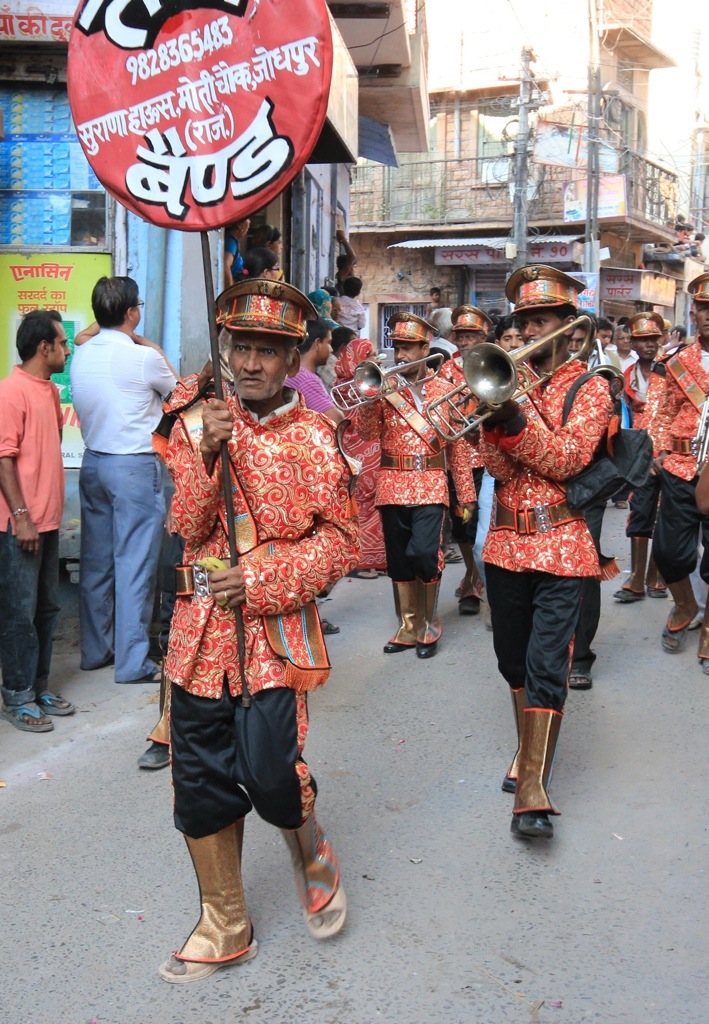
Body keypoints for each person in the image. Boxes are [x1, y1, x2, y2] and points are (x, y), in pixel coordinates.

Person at [157, 278, 359, 983]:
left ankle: (307, 844)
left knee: (270, 772)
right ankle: (224, 921)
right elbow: (184, 528)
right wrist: (207, 456)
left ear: (292, 358)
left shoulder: (314, 438)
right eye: (239, 346)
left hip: (273, 643)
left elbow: (340, 543)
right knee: (202, 781)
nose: (249, 364)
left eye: (267, 351)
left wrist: (266, 579)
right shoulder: (195, 419)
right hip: (198, 639)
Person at [476, 265, 613, 839]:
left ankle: (533, 784)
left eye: (544, 321)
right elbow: (500, 469)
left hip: (562, 545)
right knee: (512, 661)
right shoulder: (512, 382)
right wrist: (499, 422)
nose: (532, 330)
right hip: (506, 544)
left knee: (546, 663)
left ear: (569, 329)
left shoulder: (592, 387)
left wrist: (512, 421)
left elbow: (565, 461)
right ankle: (526, 751)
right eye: (526, 321)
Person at [70, 277, 177, 684]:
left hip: (93, 462)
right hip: (132, 465)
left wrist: (112, 323)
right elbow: (179, 391)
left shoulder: (81, 353)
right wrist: (149, 343)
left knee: (96, 563)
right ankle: (132, 663)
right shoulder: (141, 358)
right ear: (133, 312)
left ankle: (97, 650)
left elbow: (89, 334)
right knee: (134, 564)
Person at [354, 312, 476, 658]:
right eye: (399, 348)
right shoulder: (385, 387)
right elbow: (367, 433)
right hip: (392, 484)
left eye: (410, 348)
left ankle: (428, 622)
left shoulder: (445, 389)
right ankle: (408, 626)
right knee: (398, 560)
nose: (402, 355)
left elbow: (458, 448)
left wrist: (465, 496)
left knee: (424, 553)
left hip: (432, 484)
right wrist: (368, 395)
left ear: (426, 347)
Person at [0, 310, 76, 732]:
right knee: (18, 612)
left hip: (47, 522)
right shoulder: (10, 392)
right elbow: (3, 458)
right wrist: (23, 517)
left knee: (46, 609)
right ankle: (17, 696)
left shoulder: (48, 390)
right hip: (19, 526)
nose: (66, 350)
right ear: (43, 347)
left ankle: (38, 686)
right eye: (61, 343)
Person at [646, 272, 709, 673]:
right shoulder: (676, 362)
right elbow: (659, 411)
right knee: (668, 551)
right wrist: (658, 448)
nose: (708, 315)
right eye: (703, 307)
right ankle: (685, 603)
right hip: (682, 466)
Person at [613, 312, 667, 603]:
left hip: (671, 455)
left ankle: (655, 575)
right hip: (640, 455)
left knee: (664, 515)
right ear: (632, 342)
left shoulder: (673, 371)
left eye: (653, 339)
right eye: (643, 339)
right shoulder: (626, 375)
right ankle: (636, 577)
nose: (649, 345)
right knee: (640, 513)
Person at [446, 305, 493, 613]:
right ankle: (472, 574)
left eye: (469, 336)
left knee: (482, 525)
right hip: (457, 456)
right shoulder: (445, 369)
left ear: (482, 337)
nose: (463, 342)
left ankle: (475, 582)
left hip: (486, 457)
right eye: (460, 336)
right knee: (462, 525)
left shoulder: (493, 363)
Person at [333, 334, 387, 576]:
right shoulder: (345, 387)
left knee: (373, 503)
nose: (375, 359)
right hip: (358, 451)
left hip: (371, 449)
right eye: (368, 355)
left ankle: (378, 557)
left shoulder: (355, 384)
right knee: (362, 503)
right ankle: (363, 559)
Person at [286, 320, 343, 427]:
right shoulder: (306, 379)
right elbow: (336, 420)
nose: (331, 349)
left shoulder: (296, 373)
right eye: (328, 343)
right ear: (317, 344)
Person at [223, 218, 251, 289]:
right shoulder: (231, 242)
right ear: (239, 226)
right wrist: (230, 290)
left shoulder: (233, 241)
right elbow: (225, 265)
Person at [335, 229, 357, 293]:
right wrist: (343, 239)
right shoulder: (342, 275)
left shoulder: (345, 277)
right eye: (352, 266)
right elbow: (352, 257)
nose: (353, 269)